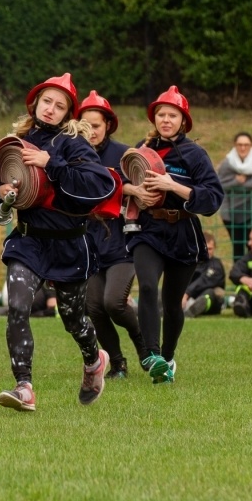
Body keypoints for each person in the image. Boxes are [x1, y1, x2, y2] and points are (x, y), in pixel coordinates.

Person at [0, 73, 115, 411]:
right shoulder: (14, 141)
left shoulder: (74, 144)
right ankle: (24, 386)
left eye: (60, 105)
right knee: (18, 306)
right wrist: (1, 192)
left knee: (74, 321)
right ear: (35, 103)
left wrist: (50, 163)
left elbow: (100, 187)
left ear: (69, 113)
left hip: (70, 245)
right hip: (29, 241)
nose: (51, 109)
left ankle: (93, 360)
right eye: (46, 101)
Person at [123, 85, 224, 384]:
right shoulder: (141, 149)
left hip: (183, 232)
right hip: (147, 230)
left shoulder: (195, 154)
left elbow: (213, 198)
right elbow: (123, 181)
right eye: (160, 114)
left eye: (172, 115)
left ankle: (167, 359)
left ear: (183, 120)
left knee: (172, 302)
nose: (165, 119)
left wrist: (173, 186)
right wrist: (133, 190)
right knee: (149, 287)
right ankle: (151, 354)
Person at [80, 90, 146, 379]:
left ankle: (146, 347)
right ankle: (117, 363)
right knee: (94, 308)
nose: (91, 130)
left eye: (96, 124)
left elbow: (145, 194)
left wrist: (125, 188)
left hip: (123, 242)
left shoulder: (125, 154)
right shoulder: (71, 155)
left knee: (113, 302)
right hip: (89, 244)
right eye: (85, 124)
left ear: (108, 124)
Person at [216, 131, 252, 261]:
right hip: (230, 211)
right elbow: (218, 184)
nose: (243, 148)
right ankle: (239, 278)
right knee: (237, 247)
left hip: (251, 210)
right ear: (235, 145)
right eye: (240, 144)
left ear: (251, 145)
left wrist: (233, 184)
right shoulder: (227, 163)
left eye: (246, 145)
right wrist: (236, 181)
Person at [183, 232, 226, 318]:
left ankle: (193, 310)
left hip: (210, 300)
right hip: (187, 298)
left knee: (209, 293)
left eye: (210, 249)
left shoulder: (216, 265)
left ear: (214, 249)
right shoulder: (190, 262)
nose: (206, 252)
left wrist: (186, 294)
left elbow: (204, 280)